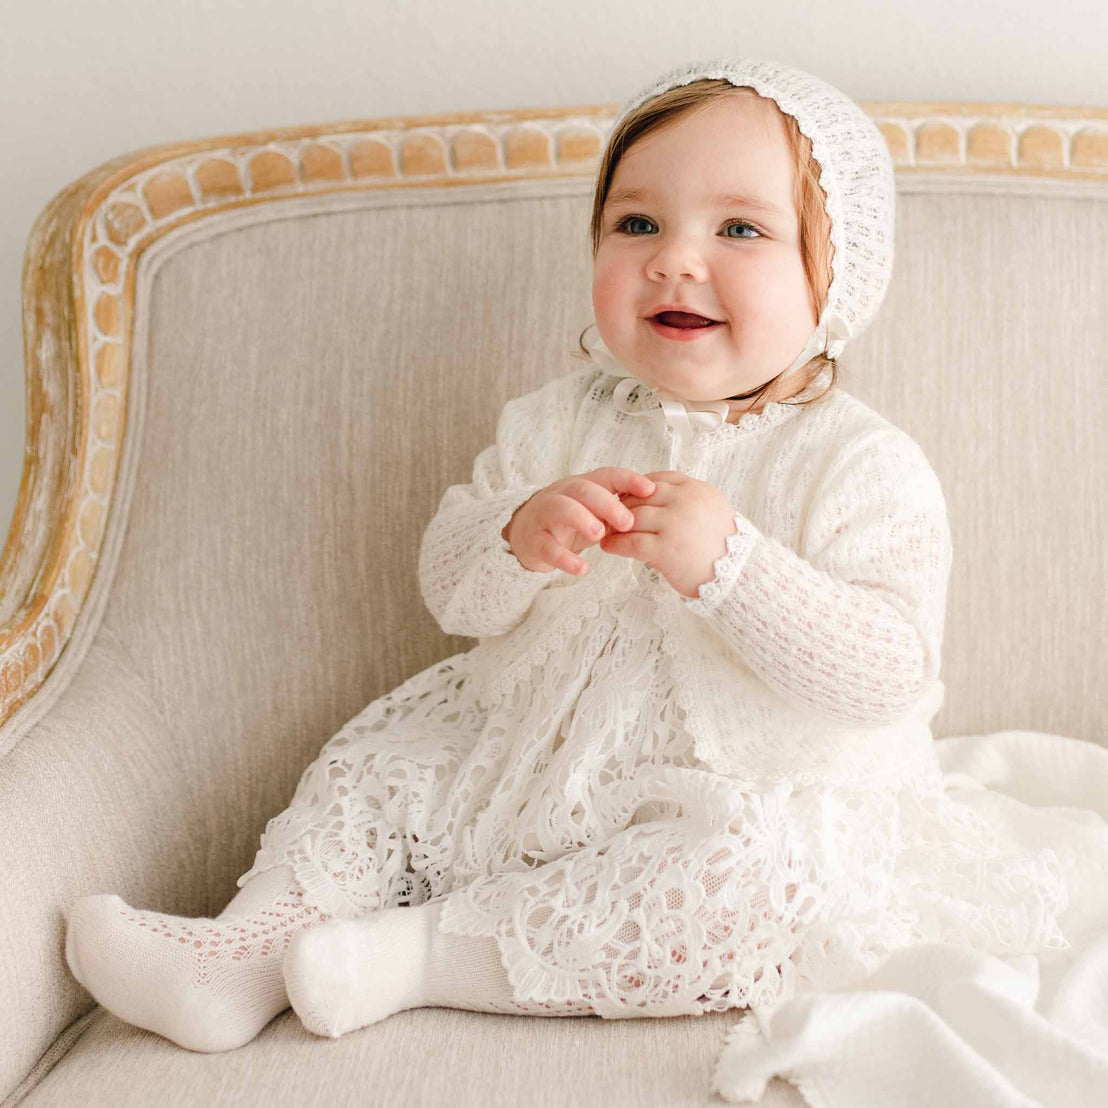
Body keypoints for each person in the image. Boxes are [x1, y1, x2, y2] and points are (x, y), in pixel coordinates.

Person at [62, 57, 1070, 1055]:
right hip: (517, 749)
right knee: (376, 768)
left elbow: (889, 668)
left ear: (835, 271)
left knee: (749, 882)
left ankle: (412, 956)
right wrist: (514, 536)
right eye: (636, 224)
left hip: (733, 791)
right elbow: (451, 591)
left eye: (739, 229)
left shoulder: (856, 462)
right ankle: (242, 954)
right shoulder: (556, 420)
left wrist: (735, 569)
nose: (675, 259)